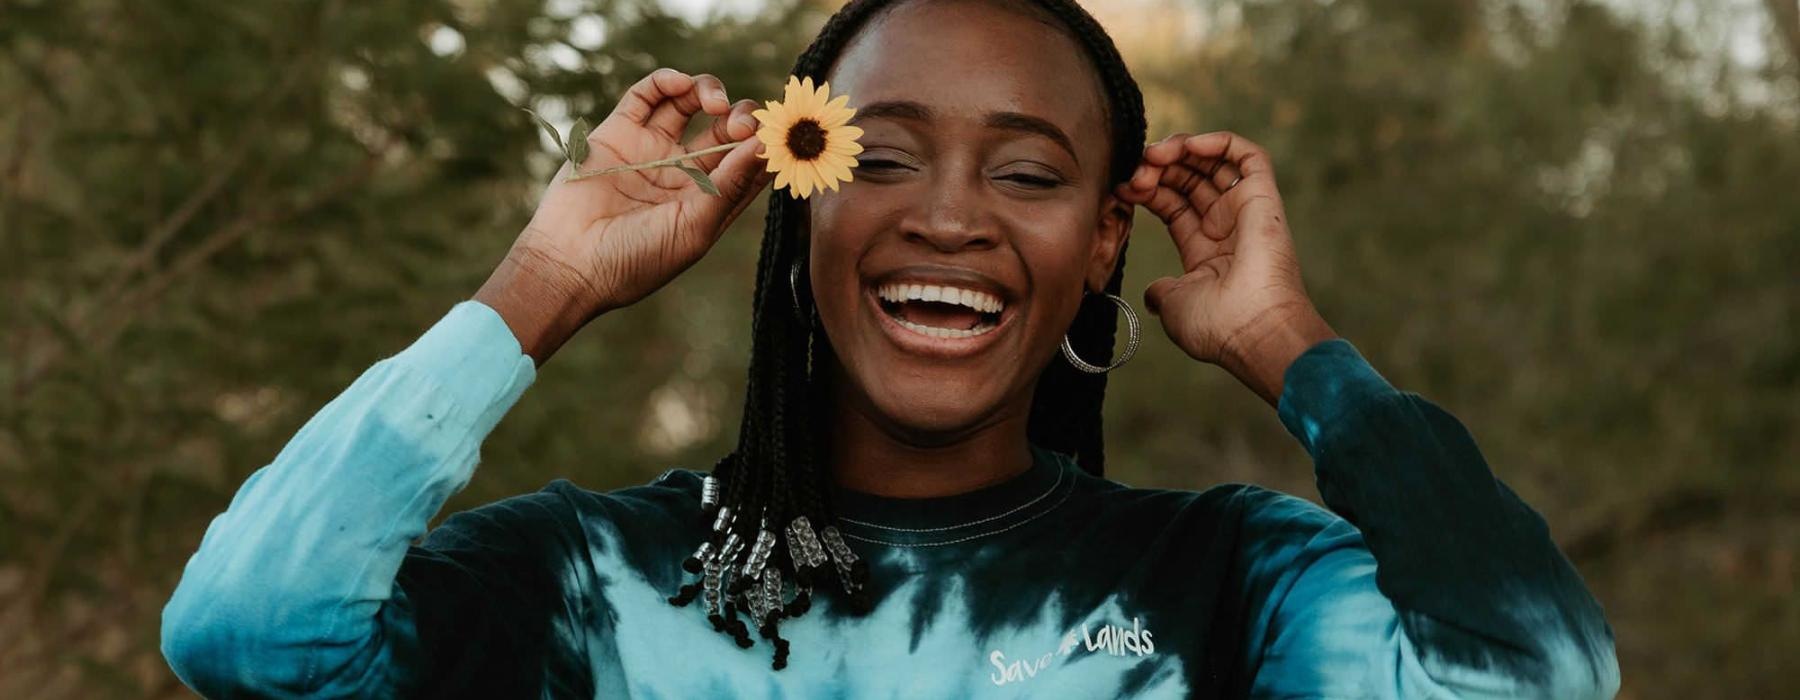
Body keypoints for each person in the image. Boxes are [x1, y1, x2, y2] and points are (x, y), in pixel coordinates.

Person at [159, 0, 1621, 697]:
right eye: (883, 158)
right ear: (792, 199)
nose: (950, 220)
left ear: (1107, 239)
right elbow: (250, 629)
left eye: (1031, 175)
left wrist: (1294, 346)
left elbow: (1536, 672)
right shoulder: (589, 584)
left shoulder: (1226, 585)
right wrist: (538, 284)